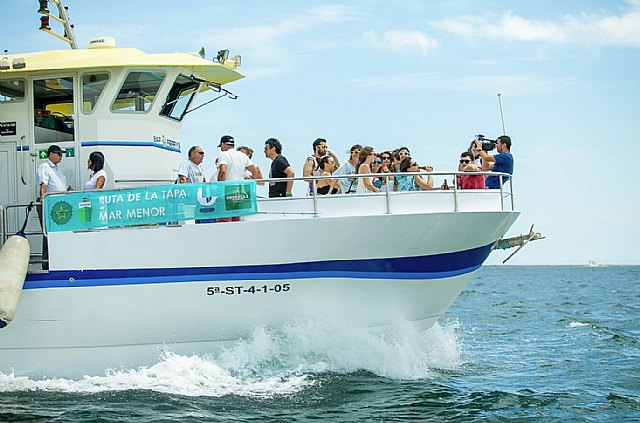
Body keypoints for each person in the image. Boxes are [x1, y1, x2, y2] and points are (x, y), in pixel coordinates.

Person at [36, 144, 69, 270]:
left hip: (57, 205)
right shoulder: (45, 167)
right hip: (48, 204)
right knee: (48, 233)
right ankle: (47, 263)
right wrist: (42, 200)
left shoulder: (56, 169)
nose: (61, 157)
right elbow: (43, 184)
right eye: (59, 154)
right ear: (51, 154)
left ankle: (56, 260)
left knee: (55, 233)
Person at [217, 135, 260, 222]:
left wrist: (219, 186)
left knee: (224, 221)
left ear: (223, 144)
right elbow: (255, 171)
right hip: (239, 192)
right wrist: (250, 183)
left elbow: (223, 171)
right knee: (236, 220)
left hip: (226, 191)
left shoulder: (223, 154)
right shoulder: (242, 155)